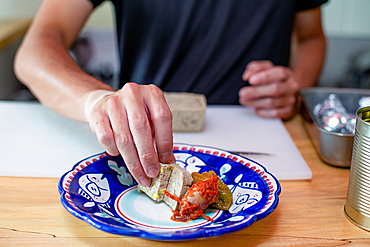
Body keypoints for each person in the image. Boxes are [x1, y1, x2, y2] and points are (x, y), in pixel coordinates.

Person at [14, 0, 327, 186]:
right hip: (138, 143)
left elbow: (311, 36)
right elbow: (36, 50)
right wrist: (97, 100)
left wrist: (297, 85)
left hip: (266, 140)